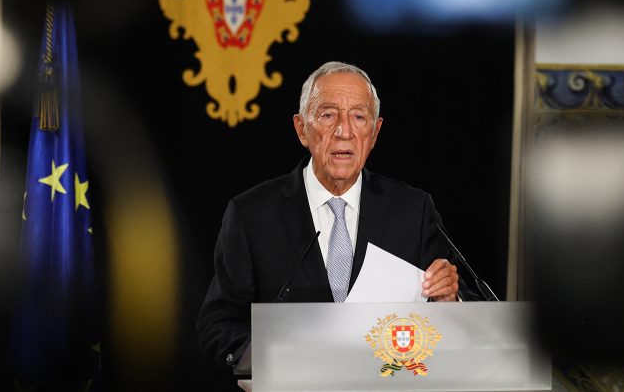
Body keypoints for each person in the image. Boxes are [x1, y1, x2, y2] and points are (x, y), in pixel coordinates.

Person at [196, 61, 469, 369]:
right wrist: (254, 357)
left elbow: (463, 315)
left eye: (359, 117)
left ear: (375, 132)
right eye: (328, 115)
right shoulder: (252, 214)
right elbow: (217, 322)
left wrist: (448, 300)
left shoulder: (413, 210)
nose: (344, 132)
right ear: (302, 128)